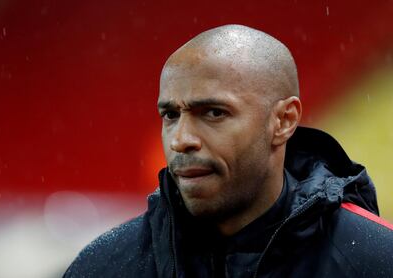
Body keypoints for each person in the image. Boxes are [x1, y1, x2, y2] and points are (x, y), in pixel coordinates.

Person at [63, 24, 393, 278]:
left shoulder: (376, 259)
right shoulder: (104, 265)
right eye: (171, 115)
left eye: (214, 113)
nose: (181, 140)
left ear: (283, 121)